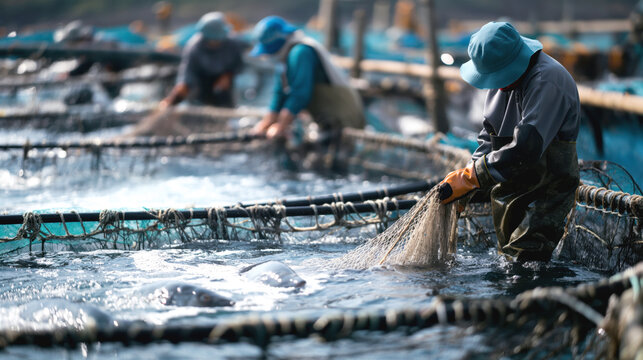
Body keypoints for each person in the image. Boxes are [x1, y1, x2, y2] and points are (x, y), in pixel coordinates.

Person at [437, 22, 580, 262]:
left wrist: (472, 177)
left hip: (546, 189)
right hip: (510, 187)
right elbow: (487, 139)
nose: (495, 83)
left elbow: (527, 148)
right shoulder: (500, 85)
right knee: (507, 258)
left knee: (527, 259)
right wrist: (468, 184)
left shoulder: (548, 80)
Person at [250, 16, 364, 139]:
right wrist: (266, 123)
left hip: (341, 114)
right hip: (325, 118)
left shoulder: (300, 52)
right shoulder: (285, 57)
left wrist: (281, 125)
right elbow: (279, 93)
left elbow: (300, 93)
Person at [159, 12, 243, 110]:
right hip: (201, 85)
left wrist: (228, 75)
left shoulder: (233, 44)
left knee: (225, 104)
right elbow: (187, 76)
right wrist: (174, 98)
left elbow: (239, 64)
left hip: (225, 87)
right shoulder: (194, 48)